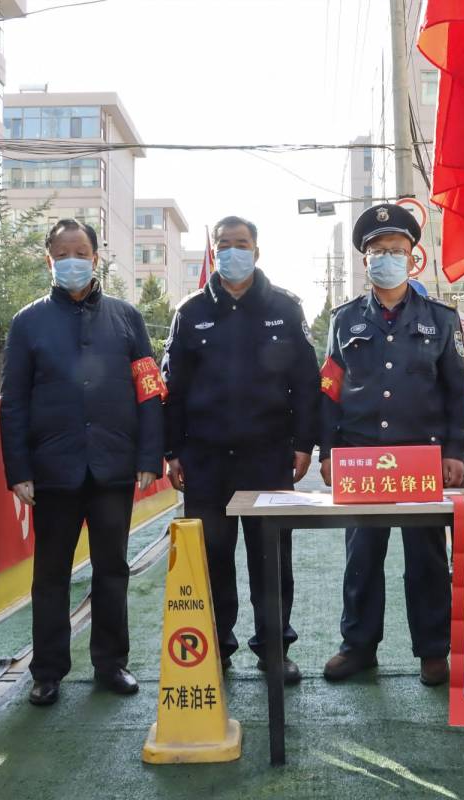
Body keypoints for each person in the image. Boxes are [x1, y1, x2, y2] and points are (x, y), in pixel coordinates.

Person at [0, 219, 164, 706]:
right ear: (49, 260)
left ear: (96, 258)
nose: (73, 260)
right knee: (50, 574)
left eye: (82, 252)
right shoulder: (28, 322)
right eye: (62, 253)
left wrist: (148, 456)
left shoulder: (127, 318)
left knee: (112, 567)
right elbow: (14, 402)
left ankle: (111, 663)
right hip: (54, 471)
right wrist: (19, 469)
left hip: (113, 467)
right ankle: (47, 670)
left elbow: (150, 392)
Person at [318, 203, 464, 686]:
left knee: (426, 558)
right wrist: (328, 452)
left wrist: (455, 452)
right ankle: (358, 646)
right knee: (362, 556)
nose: (388, 258)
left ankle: (432, 650)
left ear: (413, 257)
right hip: (362, 459)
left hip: (422, 458)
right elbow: (329, 391)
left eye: (397, 250)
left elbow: (456, 394)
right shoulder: (344, 322)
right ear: (365, 261)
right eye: (379, 251)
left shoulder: (441, 320)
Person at [162, 215, 318, 684]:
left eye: (242, 243)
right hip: (205, 460)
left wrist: (304, 443)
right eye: (224, 243)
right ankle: (218, 647)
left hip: (268, 457)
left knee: (270, 558)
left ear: (257, 249)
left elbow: (306, 383)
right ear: (213, 249)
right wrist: (171, 451)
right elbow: (173, 389)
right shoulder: (190, 313)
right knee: (212, 558)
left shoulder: (285, 309)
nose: (233, 251)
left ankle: (274, 648)